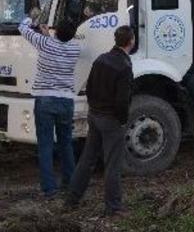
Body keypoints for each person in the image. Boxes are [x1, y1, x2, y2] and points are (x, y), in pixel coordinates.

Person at [65, 26, 135, 217]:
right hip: (111, 120)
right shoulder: (124, 66)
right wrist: (122, 120)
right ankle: (113, 206)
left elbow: (89, 87)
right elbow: (122, 100)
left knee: (87, 159)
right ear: (131, 41)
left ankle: (72, 198)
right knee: (113, 164)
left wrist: (94, 109)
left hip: (94, 115)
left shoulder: (101, 59)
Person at [18, 12, 81, 199]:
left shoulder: (45, 43)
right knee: (66, 144)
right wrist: (49, 35)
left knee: (45, 145)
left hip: (44, 100)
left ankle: (49, 189)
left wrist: (31, 17)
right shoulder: (75, 50)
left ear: (56, 31)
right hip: (66, 102)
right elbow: (60, 44)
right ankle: (70, 182)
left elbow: (22, 28)